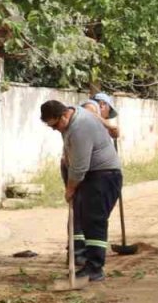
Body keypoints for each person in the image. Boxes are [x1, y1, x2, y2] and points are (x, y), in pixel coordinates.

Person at [41, 100, 124, 283]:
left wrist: (70, 188)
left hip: (103, 176)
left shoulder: (80, 128)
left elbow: (80, 167)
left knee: (94, 221)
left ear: (64, 115)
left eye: (55, 125)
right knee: (86, 220)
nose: (54, 129)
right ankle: (87, 262)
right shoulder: (74, 114)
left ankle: (95, 268)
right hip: (93, 175)